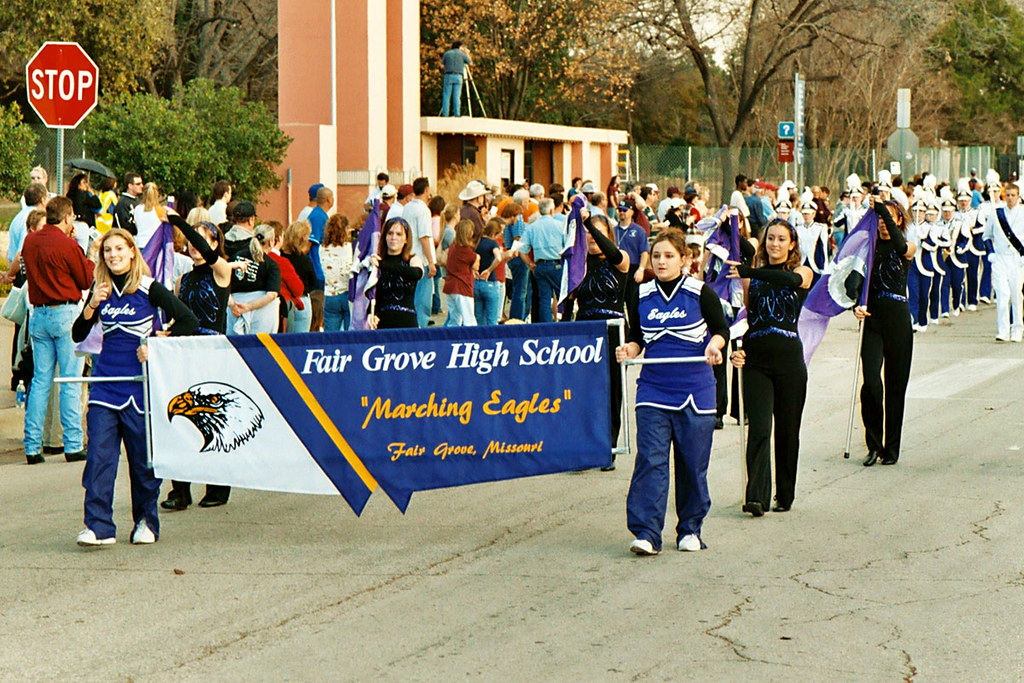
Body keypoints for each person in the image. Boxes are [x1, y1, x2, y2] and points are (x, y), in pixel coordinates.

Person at [71, 229, 199, 546]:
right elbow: (77, 333)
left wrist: (157, 342)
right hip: (104, 386)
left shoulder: (148, 287)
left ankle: (146, 521)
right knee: (99, 458)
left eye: (119, 249)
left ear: (131, 251)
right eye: (107, 250)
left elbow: (188, 320)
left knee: (142, 461)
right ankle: (98, 526)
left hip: (139, 388)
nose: (113, 255)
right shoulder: (99, 290)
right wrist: (90, 306)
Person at [615, 229, 728, 555]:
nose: (662, 262)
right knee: (651, 460)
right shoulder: (640, 294)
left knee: (692, 464)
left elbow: (720, 330)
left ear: (684, 259)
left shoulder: (700, 292)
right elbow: (638, 337)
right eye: (657, 256)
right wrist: (630, 350)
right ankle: (648, 532)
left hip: (696, 389)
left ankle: (690, 528)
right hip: (653, 389)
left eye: (669, 256)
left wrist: (715, 346)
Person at [727, 220, 813, 516]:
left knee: (788, 432)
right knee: (760, 429)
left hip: (790, 364)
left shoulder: (803, 273)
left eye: (781, 239)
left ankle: (784, 495)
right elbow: (744, 318)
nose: (775, 244)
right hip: (757, 363)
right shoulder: (751, 281)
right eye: (770, 239)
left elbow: (789, 283)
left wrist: (749, 271)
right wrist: (735, 351)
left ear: (792, 245)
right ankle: (757, 497)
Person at [162, 213, 238, 510]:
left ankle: (218, 486)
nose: (194, 245)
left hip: (212, 351)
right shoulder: (183, 278)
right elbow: (177, 315)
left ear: (215, 242)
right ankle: (180, 489)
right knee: (180, 420)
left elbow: (207, 253)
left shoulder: (222, 270)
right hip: (185, 351)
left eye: (202, 238)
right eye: (191, 239)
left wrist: (180, 223)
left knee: (211, 418)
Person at [20, 197, 95, 464]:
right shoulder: (68, 245)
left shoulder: (31, 241)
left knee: (40, 380)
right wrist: (84, 252)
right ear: (66, 217)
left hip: (39, 312)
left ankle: (32, 445)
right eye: (72, 216)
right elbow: (86, 278)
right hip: (65, 312)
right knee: (69, 380)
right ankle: (72, 443)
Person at [568, 213, 630, 470]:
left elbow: (612, 253)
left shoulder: (621, 260)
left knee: (611, 390)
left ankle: (609, 447)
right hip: (584, 330)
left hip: (612, 329)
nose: (593, 237)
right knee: (585, 391)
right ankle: (585, 448)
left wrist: (588, 224)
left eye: (598, 232)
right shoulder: (577, 263)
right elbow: (566, 303)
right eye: (589, 234)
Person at [857, 197, 916, 467]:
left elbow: (901, 244)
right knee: (871, 383)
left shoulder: (908, 246)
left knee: (895, 387)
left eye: (890, 218)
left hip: (898, 322)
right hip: (873, 322)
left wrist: (882, 208)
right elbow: (853, 282)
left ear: (900, 220)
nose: (884, 224)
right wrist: (855, 304)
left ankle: (891, 448)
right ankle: (873, 443)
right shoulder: (867, 249)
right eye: (880, 219)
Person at [982, 182, 1024, 342]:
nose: (1010, 199)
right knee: (1002, 295)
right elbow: (986, 236)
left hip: (1016, 259)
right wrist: (990, 253)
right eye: (1007, 195)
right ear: (1003, 196)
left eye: (1013, 195)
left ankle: (1017, 330)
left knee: (1016, 295)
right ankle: (1003, 330)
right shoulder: (996, 214)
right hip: (999, 258)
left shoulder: (1022, 214)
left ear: (1018, 196)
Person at [227, 223, 282, 337]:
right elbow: (272, 294)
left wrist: (233, 305)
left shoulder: (235, 258)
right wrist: (248, 307)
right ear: (271, 242)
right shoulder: (271, 264)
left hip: (234, 308)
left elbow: (223, 283)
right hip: (261, 310)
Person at [369, 219, 425, 329]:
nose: (393, 237)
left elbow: (417, 273)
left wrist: (383, 265)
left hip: (407, 324)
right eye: (390, 233)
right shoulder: (377, 261)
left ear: (406, 239)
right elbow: (372, 293)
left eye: (399, 234)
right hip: (383, 323)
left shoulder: (412, 259)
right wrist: (371, 313)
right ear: (384, 237)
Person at [516, 197, 566, 322]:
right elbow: (568, 247)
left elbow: (521, 250)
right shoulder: (560, 226)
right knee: (563, 297)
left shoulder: (532, 227)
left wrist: (530, 264)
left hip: (540, 266)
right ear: (551, 211)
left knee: (544, 299)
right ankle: (567, 324)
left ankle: (546, 328)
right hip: (557, 264)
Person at [404, 177, 437, 327]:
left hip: (407, 257)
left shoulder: (407, 207)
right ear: (426, 190)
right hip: (421, 260)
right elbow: (424, 237)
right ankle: (420, 329)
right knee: (423, 302)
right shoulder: (423, 210)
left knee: (411, 299)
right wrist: (430, 262)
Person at [280, 220, 317, 333]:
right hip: (302, 299)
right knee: (301, 341)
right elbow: (313, 282)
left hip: (283, 300)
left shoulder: (280, 256)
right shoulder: (305, 261)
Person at [442, 220, 479, 326]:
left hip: (450, 286)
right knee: (469, 320)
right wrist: (477, 257)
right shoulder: (467, 251)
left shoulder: (453, 247)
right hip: (462, 287)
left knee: (454, 319)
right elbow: (475, 266)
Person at [307, 187, 333, 331]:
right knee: (317, 313)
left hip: (320, 270)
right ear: (329, 199)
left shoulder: (321, 215)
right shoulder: (318, 217)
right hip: (317, 270)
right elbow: (311, 242)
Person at [321, 214, 353, 331]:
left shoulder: (321, 249)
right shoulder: (351, 248)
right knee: (350, 336)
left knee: (331, 337)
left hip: (330, 294)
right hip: (348, 293)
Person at [474, 217, 506, 326]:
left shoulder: (476, 242)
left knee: (479, 319)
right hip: (490, 282)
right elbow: (498, 258)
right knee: (492, 320)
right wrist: (489, 270)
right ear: (493, 234)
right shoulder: (492, 243)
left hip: (476, 282)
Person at [440, 41, 472, 117]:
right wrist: (467, 53)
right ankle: (457, 114)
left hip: (448, 75)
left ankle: (445, 114)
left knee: (446, 96)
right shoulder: (462, 54)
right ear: (459, 47)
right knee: (457, 96)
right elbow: (470, 63)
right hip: (458, 76)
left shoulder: (447, 53)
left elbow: (441, 66)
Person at [131, 182, 165, 249]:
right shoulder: (160, 210)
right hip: (154, 245)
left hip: (139, 243)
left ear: (143, 193)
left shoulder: (137, 209)